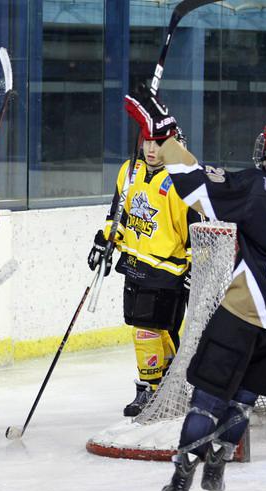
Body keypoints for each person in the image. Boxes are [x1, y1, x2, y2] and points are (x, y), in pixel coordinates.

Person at [125, 88, 266, 491]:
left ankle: (181, 475)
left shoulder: (253, 187)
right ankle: (216, 467)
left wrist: (166, 133)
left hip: (244, 313)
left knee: (207, 400)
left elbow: (192, 182)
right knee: (243, 401)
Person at [88, 126, 198, 417]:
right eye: (148, 141)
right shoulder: (130, 170)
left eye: (159, 143)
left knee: (149, 330)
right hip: (135, 264)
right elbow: (119, 214)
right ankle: (166, 385)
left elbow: (196, 230)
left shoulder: (183, 182)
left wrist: (196, 265)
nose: (152, 149)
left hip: (169, 269)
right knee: (153, 329)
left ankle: (149, 389)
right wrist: (106, 240)